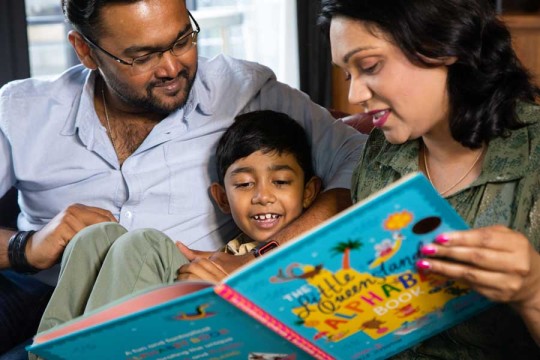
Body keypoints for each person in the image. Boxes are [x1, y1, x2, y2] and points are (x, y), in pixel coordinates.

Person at [0, 0, 365, 357]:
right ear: (85, 50)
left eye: (182, 40)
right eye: (143, 57)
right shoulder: (23, 109)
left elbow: (361, 159)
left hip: (172, 296)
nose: (173, 67)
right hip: (38, 292)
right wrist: (25, 247)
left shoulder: (244, 91)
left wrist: (262, 256)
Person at [319, 0, 540, 358]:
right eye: (347, 74)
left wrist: (533, 291)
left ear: (444, 46)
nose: (354, 95)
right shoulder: (380, 153)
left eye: (370, 66)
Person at [33, 110, 322, 345]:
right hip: (189, 323)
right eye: (245, 184)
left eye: (281, 182)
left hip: (239, 335)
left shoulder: (322, 248)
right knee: (98, 237)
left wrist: (226, 298)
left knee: (145, 244)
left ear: (309, 192)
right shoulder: (231, 249)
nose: (262, 196)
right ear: (222, 198)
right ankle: (49, 352)